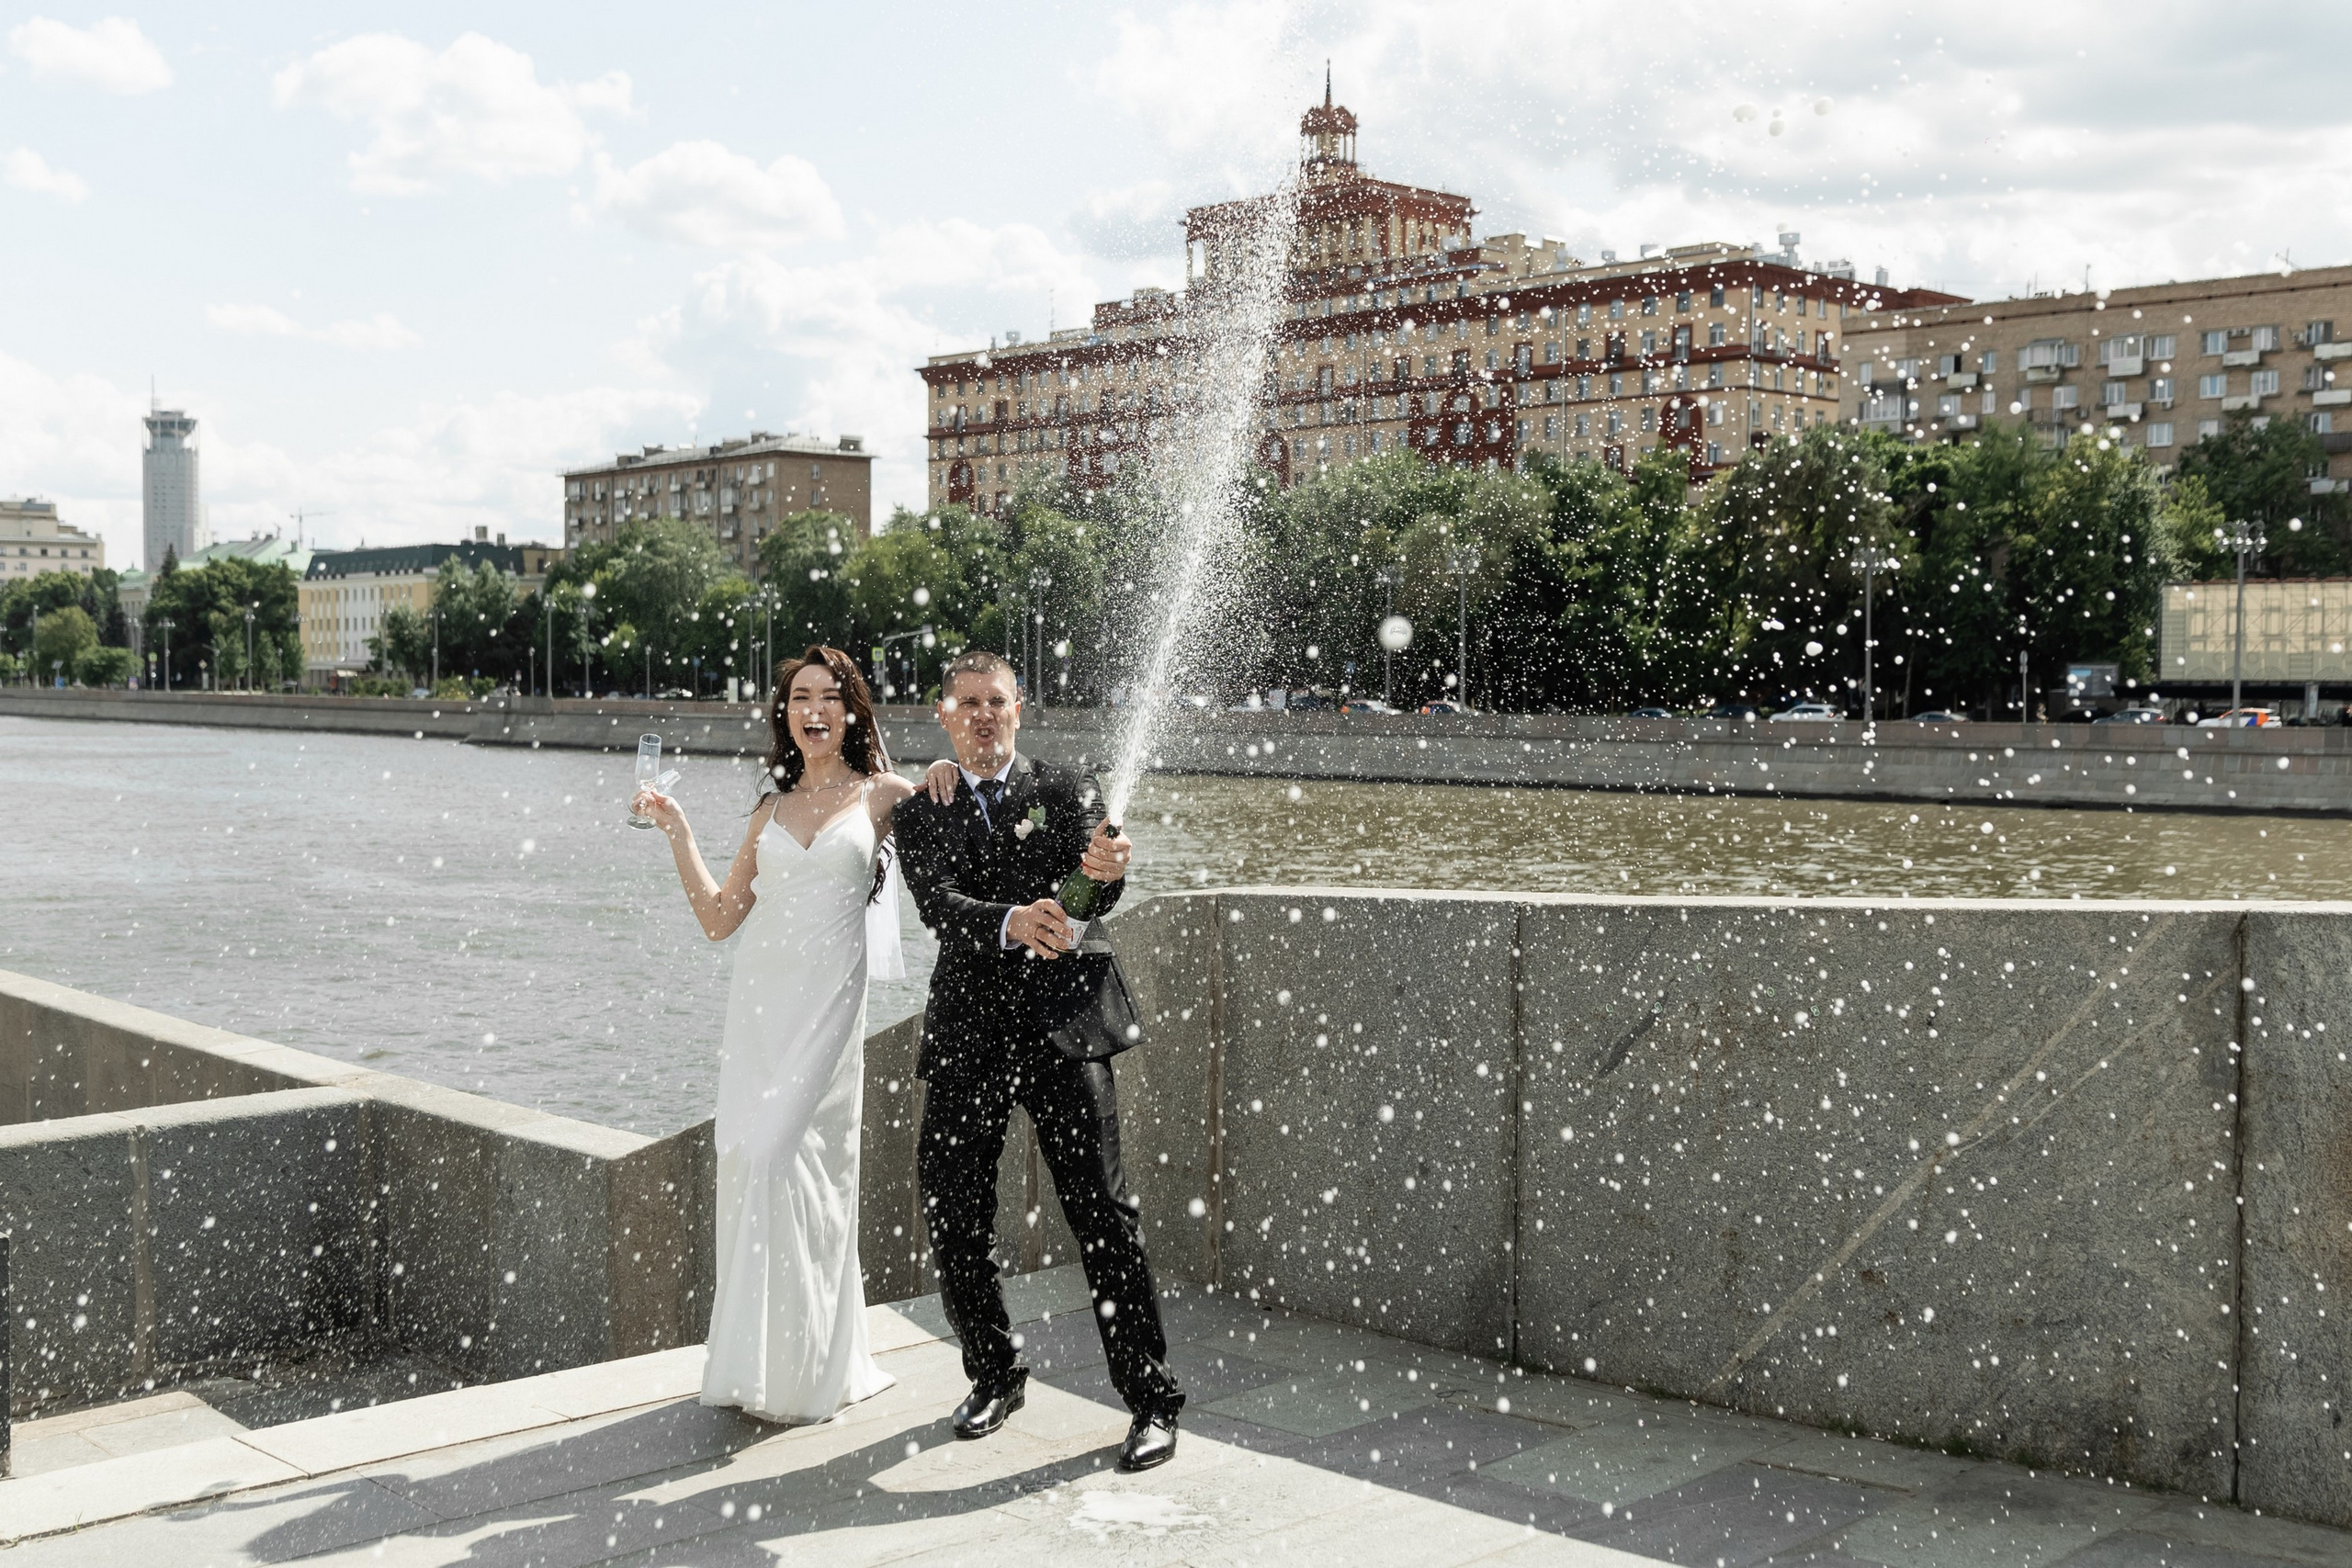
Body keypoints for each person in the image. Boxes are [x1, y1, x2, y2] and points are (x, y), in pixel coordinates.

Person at [893, 649, 1184, 1472]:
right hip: (967, 1040)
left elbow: (1091, 887)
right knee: (955, 1216)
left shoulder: (1067, 789)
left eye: (998, 701)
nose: (985, 715)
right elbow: (939, 907)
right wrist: (1012, 920)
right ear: (947, 716)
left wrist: (1107, 873)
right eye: (968, 704)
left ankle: (1152, 1399)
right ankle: (993, 1372)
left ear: (1019, 709)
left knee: (1105, 1217)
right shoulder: (922, 811)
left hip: (1063, 1032)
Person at [634, 645, 921, 1425]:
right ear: (784, 714)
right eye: (801, 697)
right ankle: (765, 1366)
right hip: (760, 1011)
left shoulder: (885, 793)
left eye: (831, 696)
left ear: (853, 711)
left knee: (780, 1160)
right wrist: (678, 830)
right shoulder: (769, 810)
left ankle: (810, 1369)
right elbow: (721, 917)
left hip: (828, 1013)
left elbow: (959, 848)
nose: (815, 709)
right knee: (746, 1159)